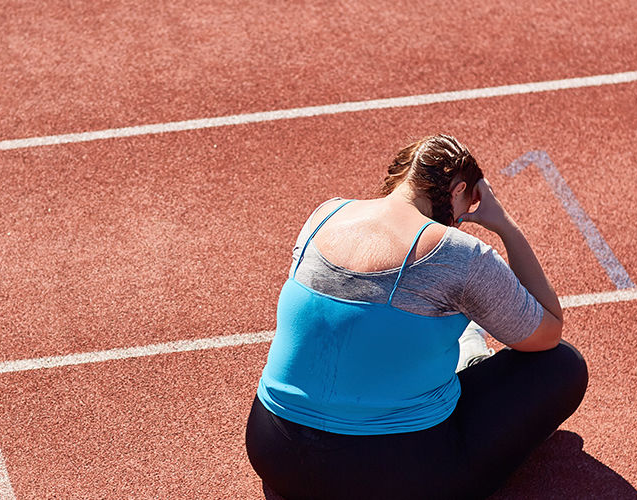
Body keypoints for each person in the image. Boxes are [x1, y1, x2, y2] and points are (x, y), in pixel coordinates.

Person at [244, 135, 588, 499]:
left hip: (274, 452)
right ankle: (469, 360)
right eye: (468, 202)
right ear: (458, 190)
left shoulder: (324, 215)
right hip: (390, 475)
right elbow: (547, 330)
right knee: (562, 365)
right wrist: (504, 224)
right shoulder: (460, 254)